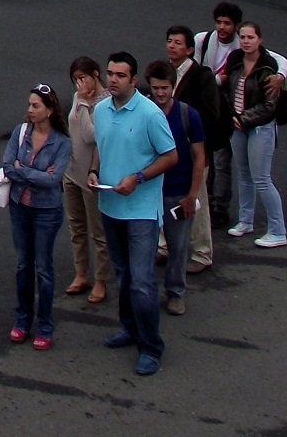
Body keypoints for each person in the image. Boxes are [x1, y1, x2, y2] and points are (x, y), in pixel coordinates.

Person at [88, 52, 177, 377]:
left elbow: (171, 156)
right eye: (110, 73)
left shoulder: (150, 114)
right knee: (123, 276)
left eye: (120, 75)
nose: (113, 79)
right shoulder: (100, 110)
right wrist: (94, 171)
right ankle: (131, 329)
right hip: (110, 206)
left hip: (140, 211)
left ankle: (151, 347)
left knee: (142, 282)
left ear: (134, 80)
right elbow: (102, 145)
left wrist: (138, 179)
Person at [0, 84, 70, 349]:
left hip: (47, 212)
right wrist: (32, 174)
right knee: (23, 265)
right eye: (29, 105)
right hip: (20, 207)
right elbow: (7, 166)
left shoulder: (62, 142)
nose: (30, 110)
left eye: (36, 106)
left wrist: (23, 170)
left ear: (50, 110)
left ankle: (45, 325)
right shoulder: (20, 133)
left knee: (44, 268)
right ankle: (22, 319)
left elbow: (54, 180)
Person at [143, 61, 207, 318]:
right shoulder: (144, 111)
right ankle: (146, 294)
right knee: (145, 246)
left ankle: (176, 294)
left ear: (173, 86)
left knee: (178, 247)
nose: (160, 94)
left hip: (177, 192)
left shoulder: (188, 115)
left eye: (165, 88)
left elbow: (200, 157)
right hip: (148, 192)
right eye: (156, 88)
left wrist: (192, 195)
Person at [224, 20, 287, 247]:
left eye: (250, 37)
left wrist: (243, 118)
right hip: (238, 125)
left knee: (261, 178)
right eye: (242, 37)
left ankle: (278, 230)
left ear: (260, 40)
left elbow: (269, 106)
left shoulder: (268, 66)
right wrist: (232, 115)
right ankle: (245, 221)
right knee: (243, 174)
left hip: (261, 127)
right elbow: (225, 90)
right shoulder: (234, 60)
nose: (246, 41)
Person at [163, 26, 222, 271]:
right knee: (164, 197)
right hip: (167, 150)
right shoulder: (163, 73)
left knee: (196, 199)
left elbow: (212, 113)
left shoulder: (201, 76)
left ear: (189, 50)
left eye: (178, 43)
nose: (172, 46)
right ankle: (164, 245)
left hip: (193, 148)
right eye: (169, 41)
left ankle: (202, 252)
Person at [62, 57, 112, 305]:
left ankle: (101, 279)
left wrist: (84, 103)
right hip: (71, 170)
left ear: (96, 74)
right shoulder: (77, 98)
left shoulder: (104, 102)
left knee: (98, 230)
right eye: (76, 80)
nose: (80, 84)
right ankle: (81, 272)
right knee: (76, 226)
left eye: (83, 78)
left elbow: (93, 135)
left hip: (92, 175)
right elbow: (72, 127)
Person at [192, 4, 243, 228]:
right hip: (207, 104)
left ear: (236, 26)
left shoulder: (244, 44)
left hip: (228, 107)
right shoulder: (202, 40)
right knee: (205, 159)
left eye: (227, 23)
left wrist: (280, 76)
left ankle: (220, 208)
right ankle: (206, 202)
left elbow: (279, 60)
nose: (222, 27)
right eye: (219, 22)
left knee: (222, 160)